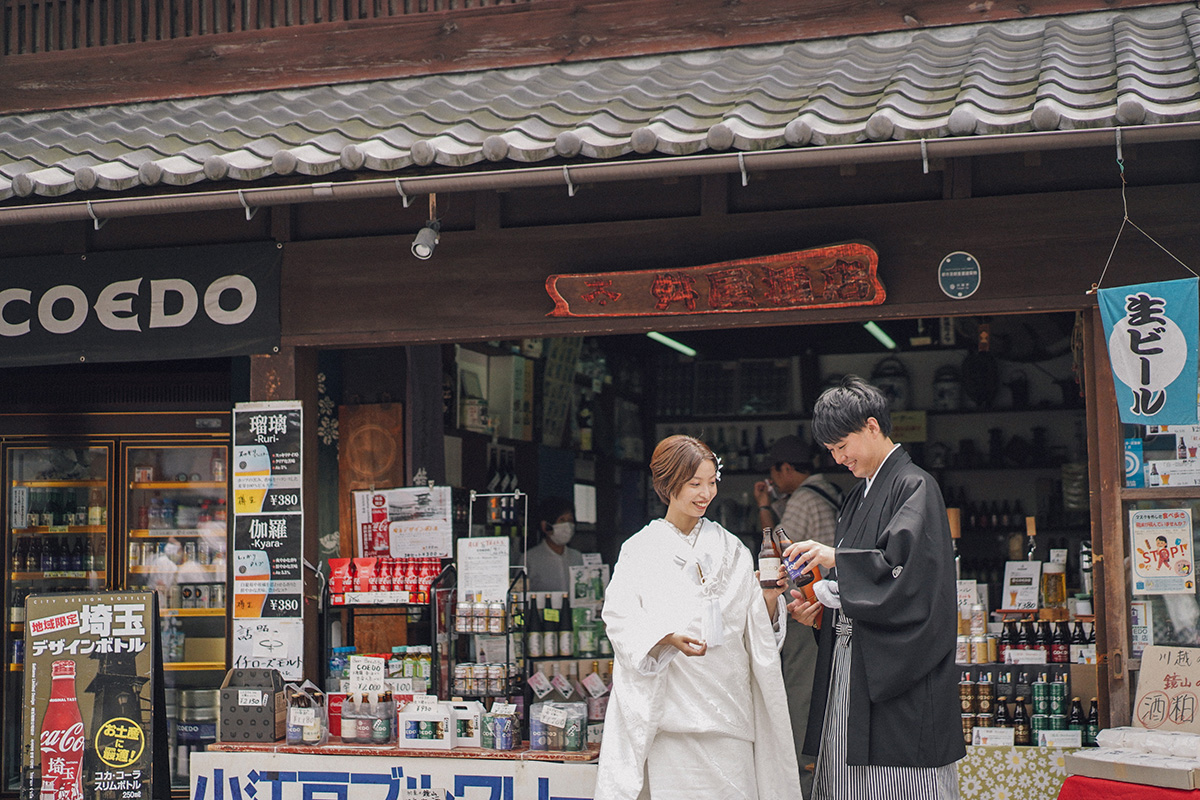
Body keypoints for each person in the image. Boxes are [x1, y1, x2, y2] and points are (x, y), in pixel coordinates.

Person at [784, 375, 965, 800]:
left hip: (899, 673)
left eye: (842, 445)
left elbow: (906, 574)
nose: (839, 458)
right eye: (831, 451)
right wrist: (822, 605)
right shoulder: (858, 495)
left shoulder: (914, 486)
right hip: (854, 663)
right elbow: (862, 581)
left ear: (871, 425)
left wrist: (835, 561)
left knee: (900, 783)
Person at [595, 435, 800, 800]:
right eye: (695, 484)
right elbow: (619, 618)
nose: (706, 493)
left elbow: (753, 626)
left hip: (727, 714)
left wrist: (768, 597)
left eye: (711, 482)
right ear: (668, 484)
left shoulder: (732, 548)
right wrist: (665, 637)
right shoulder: (639, 550)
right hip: (671, 719)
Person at [753, 434, 841, 781]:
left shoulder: (802, 499)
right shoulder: (832, 492)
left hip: (810, 601)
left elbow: (777, 549)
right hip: (837, 598)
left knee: (802, 685)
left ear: (787, 468)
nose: (774, 480)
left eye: (775, 472)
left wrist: (763, 509)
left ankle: (804, 768)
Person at [524, 496, 583, 592]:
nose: (567, 526)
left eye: (570, 520)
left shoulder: (577, 557)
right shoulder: (529, 559)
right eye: (562, 520)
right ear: (545, 526)